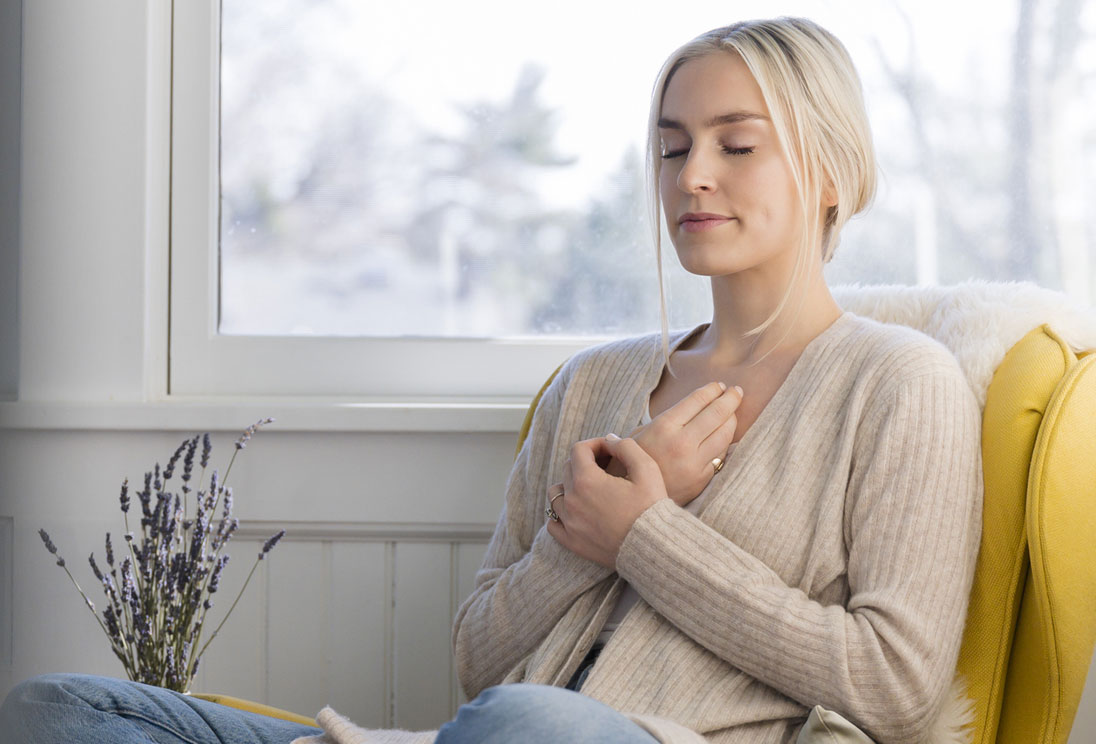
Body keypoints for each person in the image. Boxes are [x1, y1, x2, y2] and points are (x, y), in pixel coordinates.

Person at [0, 16, 982, 744]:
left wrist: (642, 534)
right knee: (57, 708)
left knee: (527, 722)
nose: (690, 177)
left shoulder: (901, 384)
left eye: (736, 144)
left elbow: (892, 683)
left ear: (830, 174)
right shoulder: (591, 386)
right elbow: (476, 654)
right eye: (672, 146)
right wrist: (579, 544)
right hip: (487, 733)